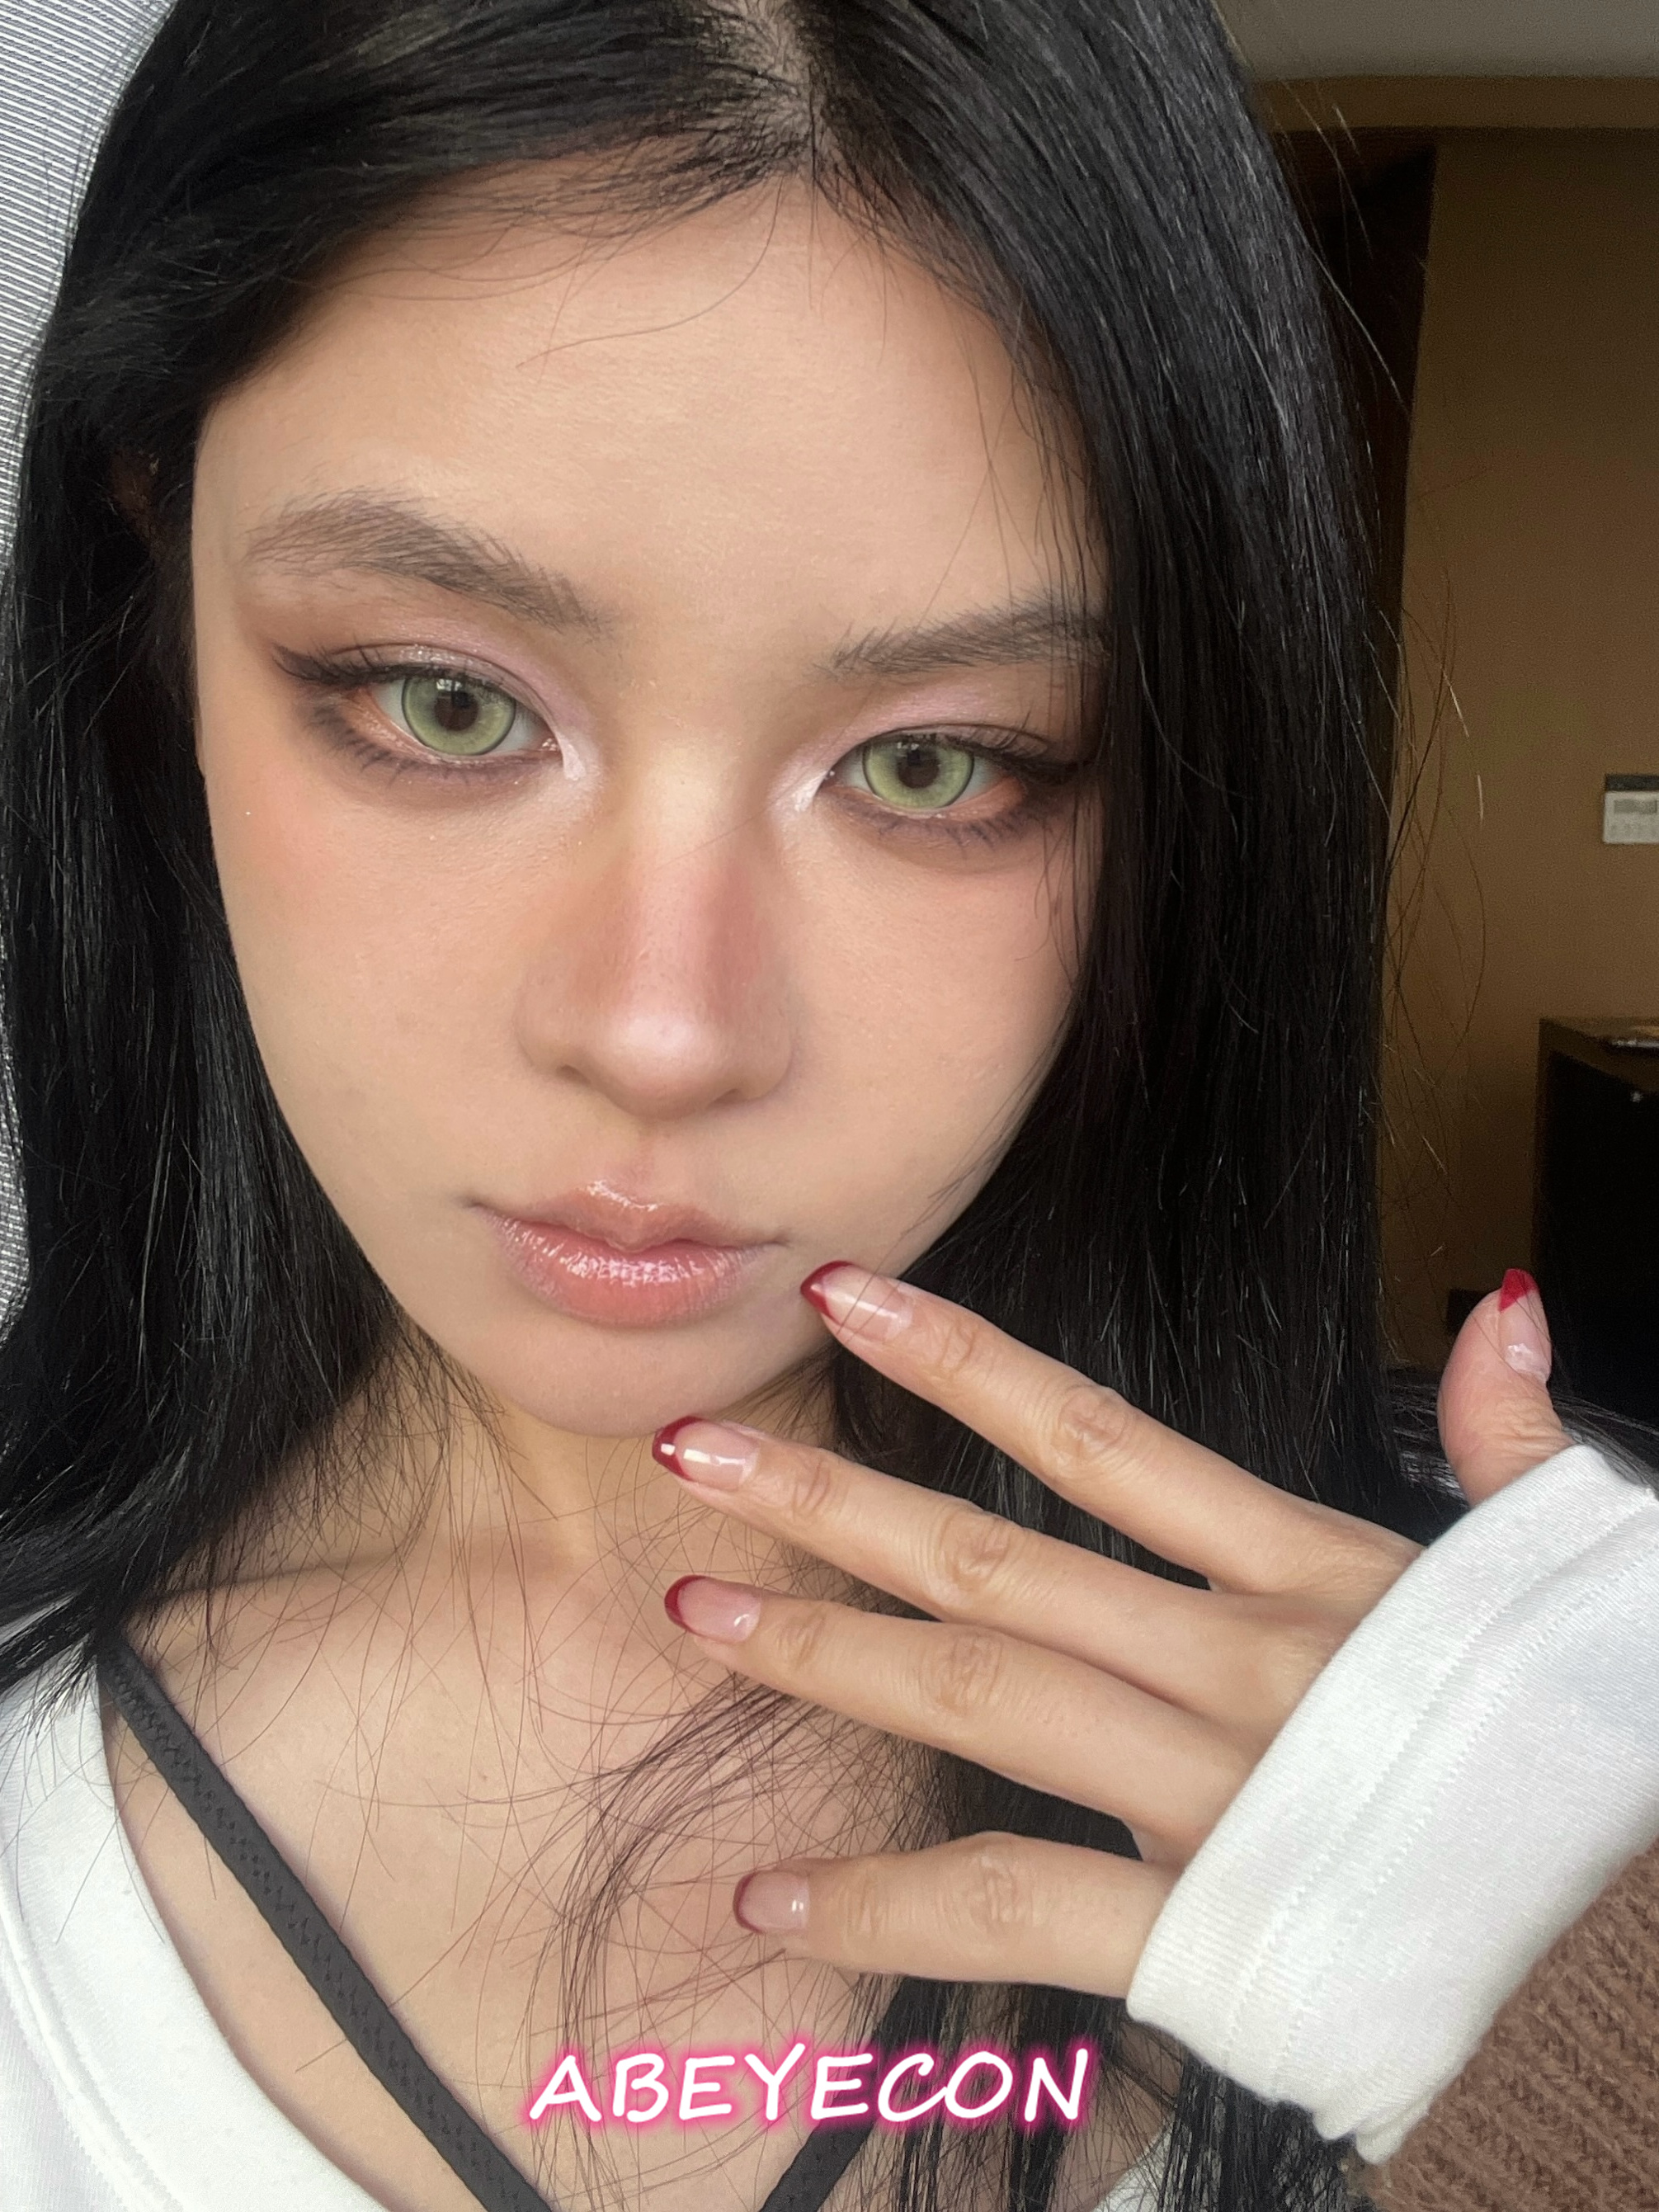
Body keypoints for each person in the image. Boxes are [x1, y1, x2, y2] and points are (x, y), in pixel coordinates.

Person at [1, 4, 1657, 2210]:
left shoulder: (1526, 1782)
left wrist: (1611, 2033)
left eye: (933, 762)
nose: (664, 1031)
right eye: (444, 700)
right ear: (156, 621)